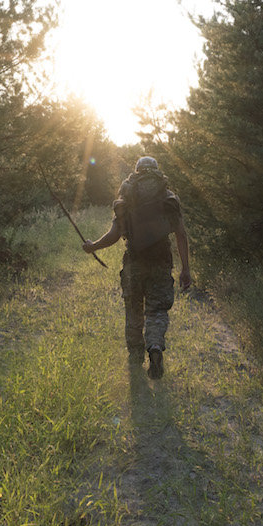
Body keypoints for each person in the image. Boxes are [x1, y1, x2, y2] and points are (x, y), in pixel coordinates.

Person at [82, 156, 191, 379]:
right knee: (157, 311)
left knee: (133, 311)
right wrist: (185, 269)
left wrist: (93, 246)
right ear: (157, 172)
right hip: (161, 263)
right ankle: (155, 347)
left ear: (138, 171)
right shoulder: (168, 197)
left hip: (134, 264)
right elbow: (181, 234)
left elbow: (114, 235)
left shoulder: (128, 196)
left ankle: (135, 360)